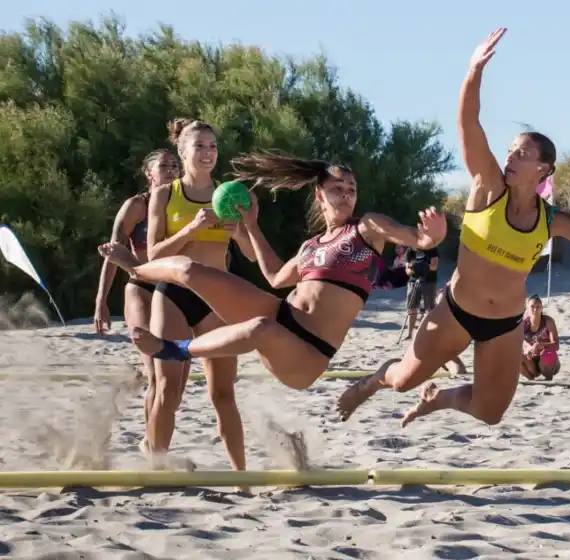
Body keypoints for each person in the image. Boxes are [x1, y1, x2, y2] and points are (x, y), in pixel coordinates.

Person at [335, 28, 570, 427]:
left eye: (522, 153)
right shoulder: (487, 188)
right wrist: (474, 71)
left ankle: (440, 398)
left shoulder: (552, 220)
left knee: (490, 412)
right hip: (457, 311)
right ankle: (372, 382)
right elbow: (468, 123)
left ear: (543, 168)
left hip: (505, 324)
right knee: (402, 381)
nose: (510, 157)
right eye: (510, 150)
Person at [97, 151, 446, 395]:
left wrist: (431, 236)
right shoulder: (310, 246)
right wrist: (250, 226)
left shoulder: (367, 227)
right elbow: (276, 278)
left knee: (260, 328)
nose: (346, 196)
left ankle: (176, 350)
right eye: (337, 189)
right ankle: (139, 269)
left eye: (351, 190)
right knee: (190, 270)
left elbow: (415, 237)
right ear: (319, 195)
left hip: (307, 354)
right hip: (283, 314)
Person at [143, 118, 258, 476]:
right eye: (199, 146)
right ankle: (157, 469)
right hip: (173, 295)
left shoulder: (232, 195)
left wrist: (239, 234)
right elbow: (152, 255)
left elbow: (253, 256)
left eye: (213, 146)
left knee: (223, 393)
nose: (208, 153)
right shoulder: (166, 195)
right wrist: (191, 229)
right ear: (182, 151)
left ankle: (241, 478)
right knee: (167, 389)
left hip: (217, 297)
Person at [93, 149, 180, 449]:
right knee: (156, 374)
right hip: (140, 287)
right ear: (149, 173)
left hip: (172, 293)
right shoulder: (137, 206)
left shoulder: (181, 205)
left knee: (174, 387)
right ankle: (155, 450)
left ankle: (150, 441)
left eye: (175, 166)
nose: (171, 170)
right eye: (163, 166)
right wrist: (101, 300)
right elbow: (113, 252)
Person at [520, 294, 560, 380]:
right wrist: (527, 349)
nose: (535, 309)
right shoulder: (523, 324)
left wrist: (539, 345)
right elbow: (518, 344)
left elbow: (556, 345)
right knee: (516, 357)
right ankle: (531, 379)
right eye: (532, 307)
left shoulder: (548, 321)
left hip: (548, 361)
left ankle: (548, 378)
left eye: (538, 307)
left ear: (542, 308)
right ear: (527, 308)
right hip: (532, 361)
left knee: (546, 353)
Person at [404, 245, 439, 339]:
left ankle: (430, 334)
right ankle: (410, 334)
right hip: (413, 281)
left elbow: (434, 266)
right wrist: (413, 268)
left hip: (429, 281)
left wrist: (419, 266)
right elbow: (407, 269)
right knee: (411, 308)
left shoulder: (432, 248)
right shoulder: (410, 250)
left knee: (430, 309)